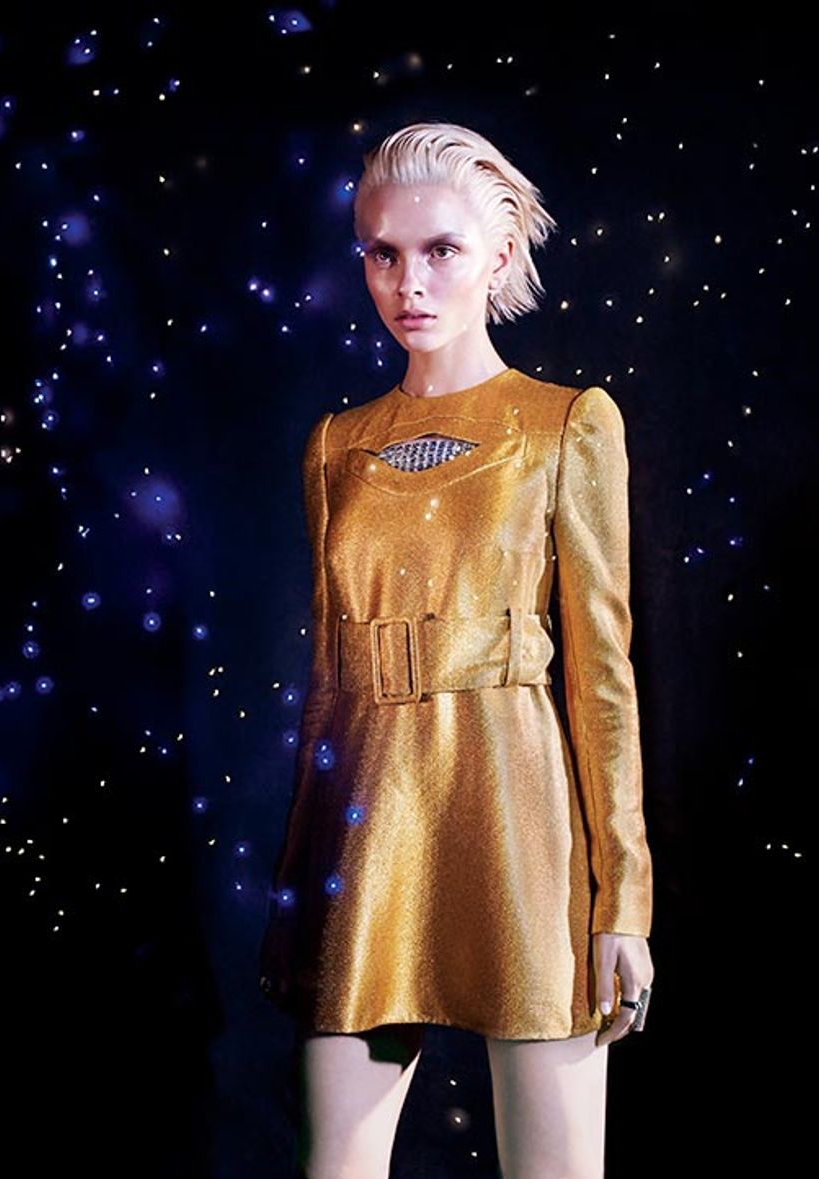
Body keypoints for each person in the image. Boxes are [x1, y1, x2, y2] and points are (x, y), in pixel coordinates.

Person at [258, 120, 655, 1179]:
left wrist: (623, 901)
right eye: (382, 253)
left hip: (519, 826)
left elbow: (601, 679)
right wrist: (299, 886)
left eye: (440, 249)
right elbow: (328, 684)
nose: (409, 282)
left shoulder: (565, 424)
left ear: (500, 251)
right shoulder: (335, 446)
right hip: (365, 836)